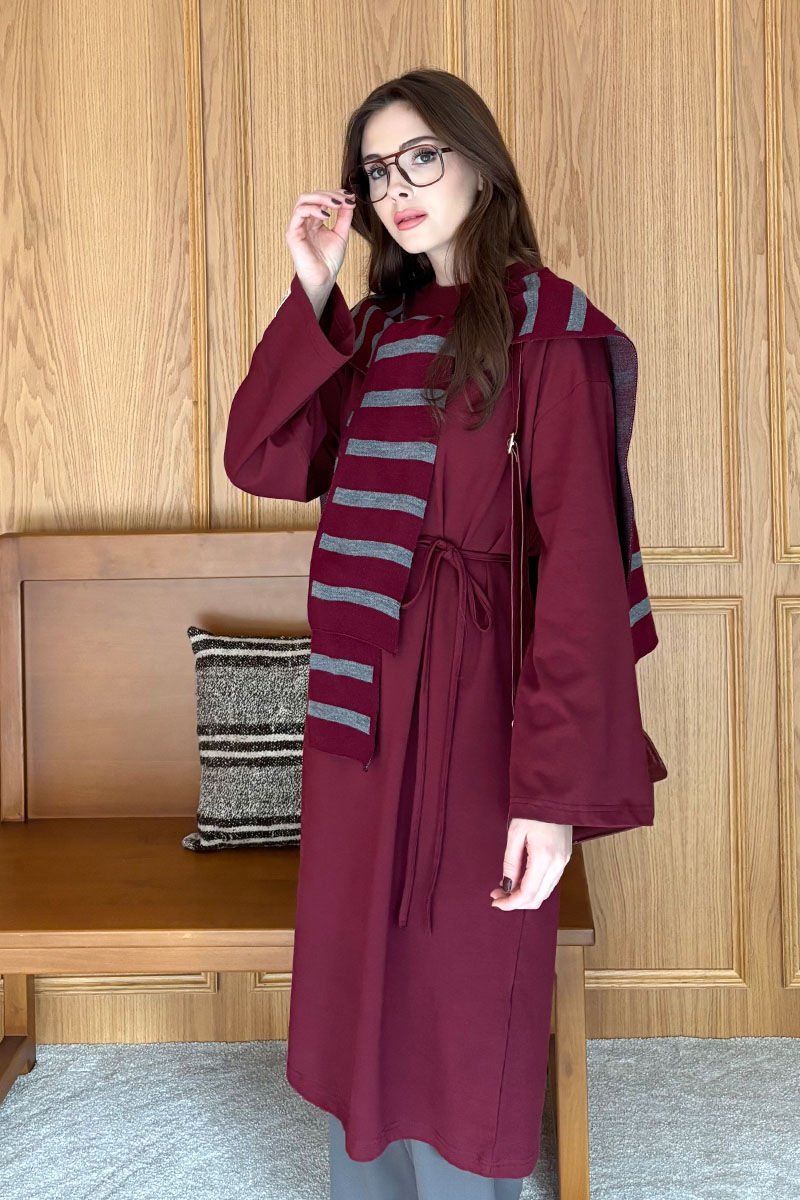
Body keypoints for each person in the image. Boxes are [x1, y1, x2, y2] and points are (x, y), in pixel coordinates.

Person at [224, 67, 665, 1200]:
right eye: (377, 170)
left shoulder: (546, 330)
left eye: (421, 155)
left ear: (478, 162)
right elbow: (264, 459)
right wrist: (311, 286)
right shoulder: (374, 330)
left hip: (477, 704)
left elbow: (577, 572)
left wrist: (551, 797)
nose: (398, 187)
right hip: (362, 699)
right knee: (360, 975)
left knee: (463, 979)